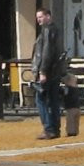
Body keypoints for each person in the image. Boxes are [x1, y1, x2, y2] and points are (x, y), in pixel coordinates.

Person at [29, 8, 66, 140]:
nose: (39, 19)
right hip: (54, 71)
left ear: (48, 16)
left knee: (43, 100)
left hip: (48, 71)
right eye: (38, 17)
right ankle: (55, 128)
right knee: (53, 100)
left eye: (41, 17)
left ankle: (49, 128)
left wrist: (42, 71)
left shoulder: (48, 30)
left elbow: (47, 52)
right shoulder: (54, 30)